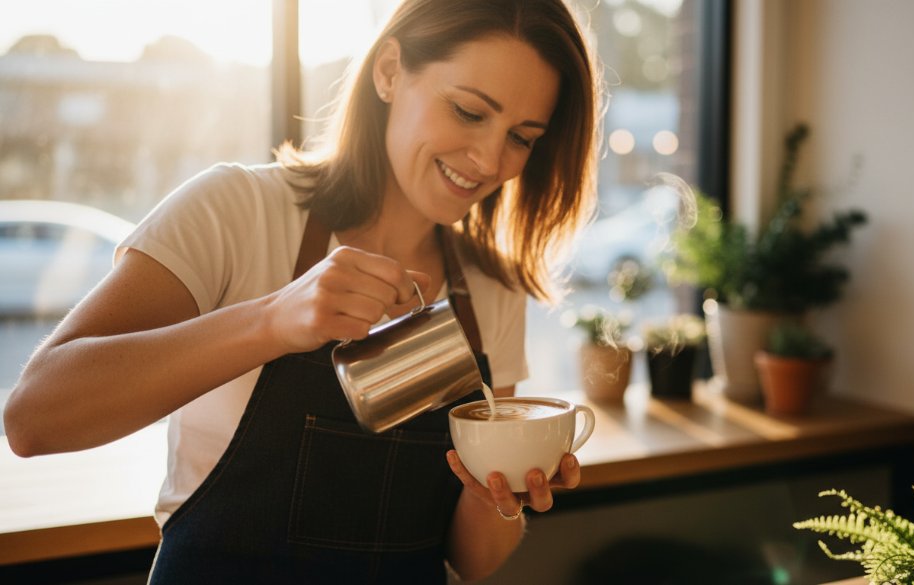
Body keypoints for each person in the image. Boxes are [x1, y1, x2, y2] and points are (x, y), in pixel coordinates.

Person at [3, 0, 601, 582]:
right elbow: (35, 419)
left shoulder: (491, 289)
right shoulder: (235, 212)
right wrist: (271, 321)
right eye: (470, 112)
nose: (490, 159)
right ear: (390, 71)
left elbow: (473, 561)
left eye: (522, 137)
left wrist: (501, 492)